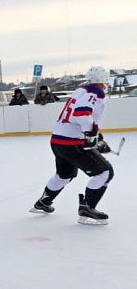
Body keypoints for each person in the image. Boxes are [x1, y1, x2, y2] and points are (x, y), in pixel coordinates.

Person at [30, 67, 113, 225]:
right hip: (72, 143)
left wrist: (97, 137)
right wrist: (91, 136)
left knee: (64, 175)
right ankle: (87, 209)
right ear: (104, 80)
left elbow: (78, 115)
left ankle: (43, 202)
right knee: (105, 172)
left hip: (58, 141)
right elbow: (81, 113)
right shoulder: (97, 92)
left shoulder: (80, 91)